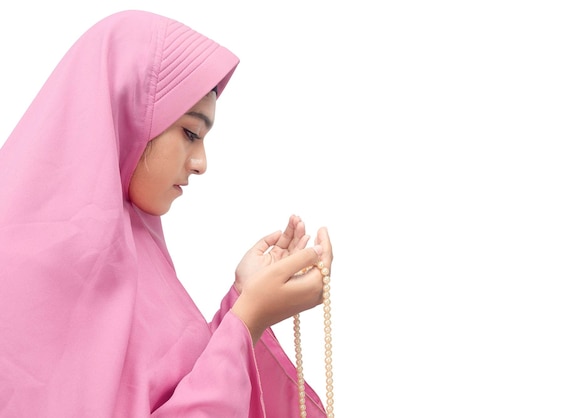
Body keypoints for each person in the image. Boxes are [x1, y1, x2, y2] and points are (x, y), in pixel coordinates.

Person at [0, 9, 332, 417]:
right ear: (128, 109)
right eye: (190, 133)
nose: (201, 162)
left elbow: (164, 395)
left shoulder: (133, 247)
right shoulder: (22, 265)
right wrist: (247, 320)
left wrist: (245, 303)